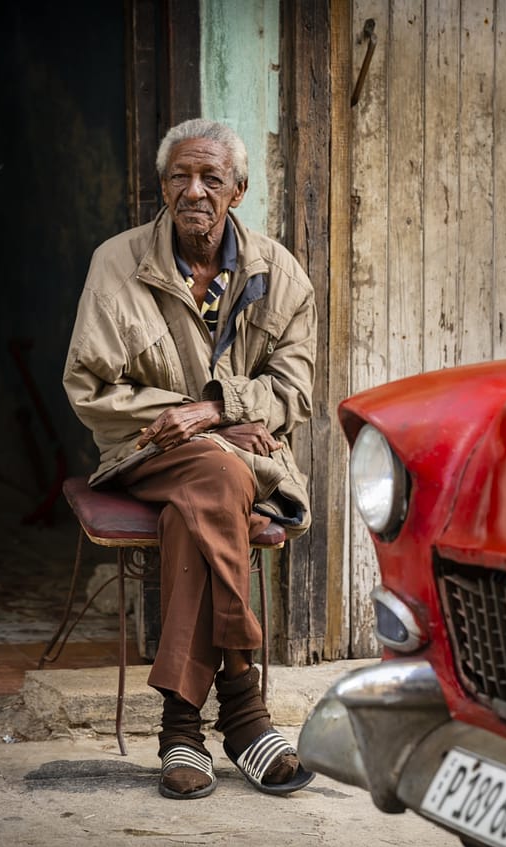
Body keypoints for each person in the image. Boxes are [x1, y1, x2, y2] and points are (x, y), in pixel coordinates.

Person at [63, 119, 317, 799]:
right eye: (180, 176)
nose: (194, 190)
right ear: (162, 186)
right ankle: (243, 702)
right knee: (212, 469)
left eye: (210, 177)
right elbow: (90, 388)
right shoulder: (117, 263)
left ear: (238, 189)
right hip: (142, 448)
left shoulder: (280, 274)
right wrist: (196, 427)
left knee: (197, 504)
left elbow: (295, 392)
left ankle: (182, 728)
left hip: (245, 465)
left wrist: (214, 411)